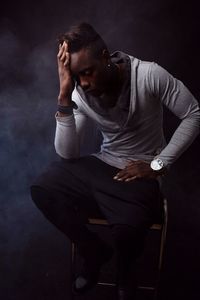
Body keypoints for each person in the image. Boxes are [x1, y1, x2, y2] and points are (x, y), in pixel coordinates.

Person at [30, 23, 200, 300]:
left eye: (87, 72)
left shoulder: (148, 74)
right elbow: (69, 154)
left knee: (127, 230)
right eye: (76, 76)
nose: (83, 83)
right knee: (42, 189)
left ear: (105, 57)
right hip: (103, 164)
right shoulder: (79, 93)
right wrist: (64, 97)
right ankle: (93, 251)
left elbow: (194, 114)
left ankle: (125, 272)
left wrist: (157, 165)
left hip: (141, 172)